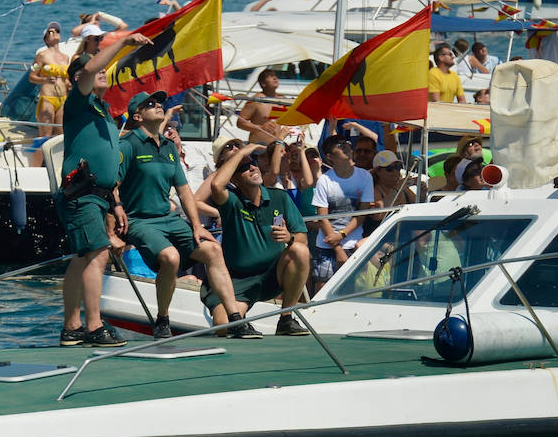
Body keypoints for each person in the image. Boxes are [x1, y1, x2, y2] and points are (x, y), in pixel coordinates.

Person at [118, 90, 258, 340]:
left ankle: (236, 319)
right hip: (140, 220)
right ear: (137, 116)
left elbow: (184, 191)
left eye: (158, 102)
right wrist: (112, 229)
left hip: (169, 219)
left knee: (213, 250)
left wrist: (196, 225)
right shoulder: (128, 145)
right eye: (149, 104)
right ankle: (162, 319)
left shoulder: (169, 147)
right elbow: (112, 187)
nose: (158, 105)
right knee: (170, 257)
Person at [55, 32, 154, 349]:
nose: (101, 71)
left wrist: (116, 202)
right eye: (93, 68)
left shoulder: (100, 109)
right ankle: (94, 327)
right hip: (80, 193)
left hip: (99, 194)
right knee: (97, 254)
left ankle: (72, 327)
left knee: (82, 258)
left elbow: (107, 159)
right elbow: (91, 67)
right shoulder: (79, 100)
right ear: (78, 77)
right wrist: (123, 44)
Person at [205, 142, 311, 335]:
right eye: (244, 167)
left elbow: (302, 239)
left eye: (253, 162)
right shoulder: (232, 201)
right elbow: (216, 184)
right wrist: (244, 151)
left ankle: (286, 318)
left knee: (300, 250)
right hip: (236, 279)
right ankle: (241, 320)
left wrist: (289, 237)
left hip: (273, 273)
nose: (253, 167)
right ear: (235, 179)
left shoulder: (280, 198)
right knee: (224, 326)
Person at [311, 135, 376, 288]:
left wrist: (341, 235)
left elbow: (362, 214)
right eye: (340, 145)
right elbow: (322, 218)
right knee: (322, 290)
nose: (346, 146)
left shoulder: (365, 176)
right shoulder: (324, 180)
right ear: (329, 156)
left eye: (347, 143)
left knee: (350, 291)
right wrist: (338, 248)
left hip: (353, 243)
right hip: (326, 245)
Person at [29, 22, 70, 139]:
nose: (54, 33)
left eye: (57, 31)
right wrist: (45, 80)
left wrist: (70, 84)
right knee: (46, 135)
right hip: (47, 99)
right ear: (46, 39)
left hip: (63, 99)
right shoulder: (41, 56)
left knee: (61, 135)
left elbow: (66, 79)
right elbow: (32, 76)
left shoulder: (66, 57)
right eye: (50, 32)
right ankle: (41, 157)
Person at [236, 69, 287, 143]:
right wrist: (261, 127)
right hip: (258, 147)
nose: (275, 78)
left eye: (275, 76)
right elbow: (240, 123)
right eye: (270, 76)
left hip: (276, 146)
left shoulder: (282, 100)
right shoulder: (256, 101)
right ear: (263, 83)